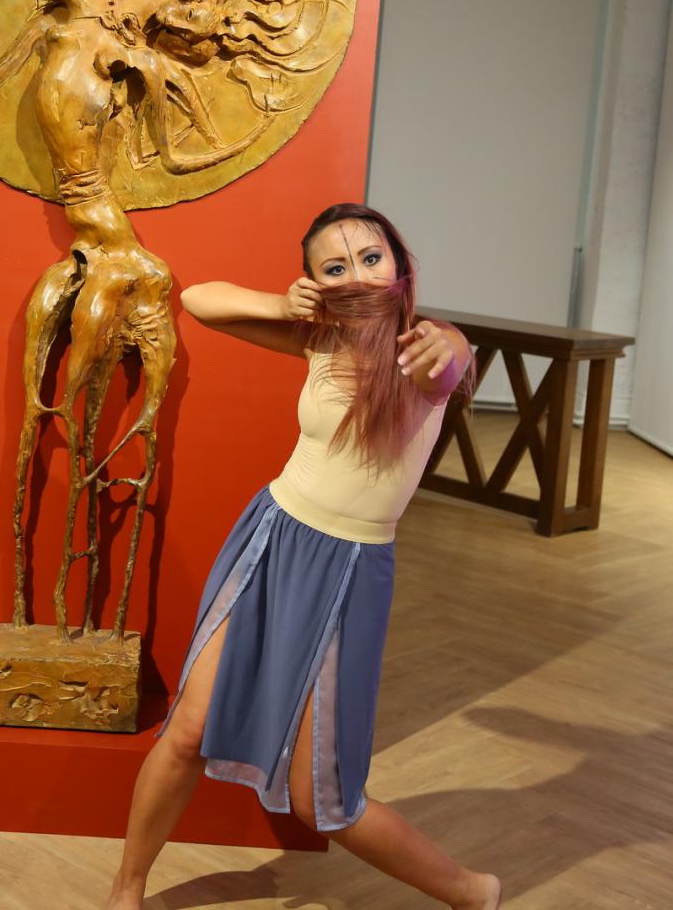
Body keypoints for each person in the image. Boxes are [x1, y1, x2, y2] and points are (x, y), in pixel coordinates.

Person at [106, 203, 502, 910]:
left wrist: (453, 343)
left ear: (398, 263)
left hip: (348, 572)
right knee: (188, 730)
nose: (359, 275)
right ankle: (127, 891)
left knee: (319, 801)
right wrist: (281, 303)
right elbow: (198, 301)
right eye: (336, 266)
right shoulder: (321, 338)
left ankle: (473, 890)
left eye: (371, 257)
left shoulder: (423, 350)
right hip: (271, 537)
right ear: (317, 281)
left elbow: (450, 359)